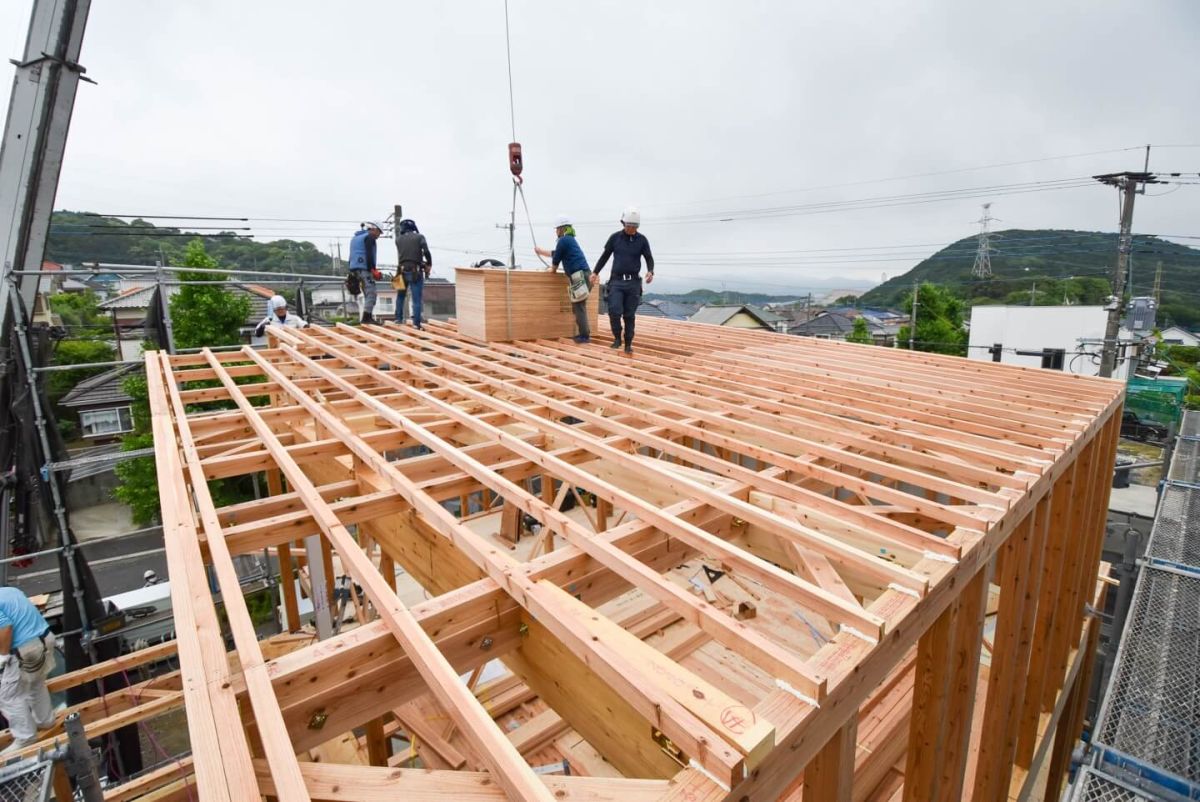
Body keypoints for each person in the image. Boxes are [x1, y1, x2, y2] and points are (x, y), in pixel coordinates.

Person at [0, 586, 56, 753]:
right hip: (44, 640)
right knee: (35, 684)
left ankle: (25, 737)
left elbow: (6, 627)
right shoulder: (9, 591)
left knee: (8, 696)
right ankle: (46, 721)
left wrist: (2, 657)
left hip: (24, 650)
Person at [591, 207, 654, 354]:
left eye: (634, 227)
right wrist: (595, 272)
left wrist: (650, 271)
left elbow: (649, 258)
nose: (631, 229)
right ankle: (617, 338)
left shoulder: (642, 240)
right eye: (629, 226)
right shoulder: (615, 238)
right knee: (614, 310)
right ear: (623, 223)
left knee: (629, 315)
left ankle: (628, 344)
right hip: (617, 281)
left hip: (633, 283)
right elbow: (605, 256)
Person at [535, 216, 591, 343]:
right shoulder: (569, 240)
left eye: (557, 229)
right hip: (583, 275)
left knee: (578, 306)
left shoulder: (563, 240)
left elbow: (556, 260)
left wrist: (552, 270)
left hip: (579, 276)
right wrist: (540, 252)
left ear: (562, 229)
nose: (556, 232)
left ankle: (584, 336)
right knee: (579, 306)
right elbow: (556, 253)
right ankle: (584, 334)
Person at [393, 219, 433, 328]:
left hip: (400, 271)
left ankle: (398, 319)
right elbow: (426, 252)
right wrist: (429, 264)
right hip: (415, 271)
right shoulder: (419, 237)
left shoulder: (398, 240)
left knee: (400, 296)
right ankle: (416, 323)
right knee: (416, 298)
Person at [347, 222, 383, 324]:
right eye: (379, 232)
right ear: (374, 229)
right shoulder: (369, 237)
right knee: (371, 292)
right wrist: (373, 269)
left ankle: (367, 317)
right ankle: (367, 318)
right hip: (364, 269)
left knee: (367, 293)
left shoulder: (355, 238)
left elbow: (351, 255)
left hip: (355, 269)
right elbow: (369, 254)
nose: (378, 235)